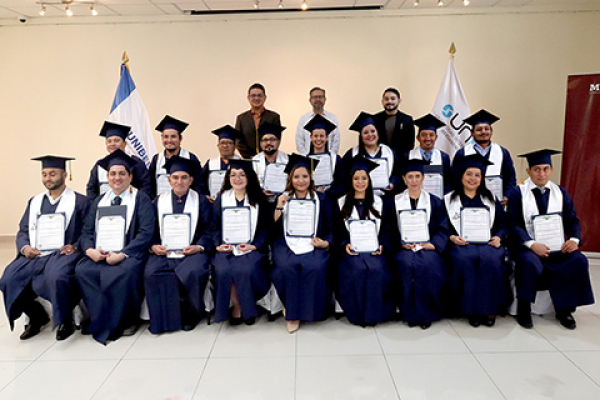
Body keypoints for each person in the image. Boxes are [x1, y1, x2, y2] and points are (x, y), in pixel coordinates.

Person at [0, 156, 88, 341]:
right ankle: (36, 316)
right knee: (8, 278)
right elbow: (23, 229)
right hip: (35, 254)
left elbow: (89, 231)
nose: (48, 178)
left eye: (53, 174)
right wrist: (24, 247)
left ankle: (66, 320)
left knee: (57, 276)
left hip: (63, 254)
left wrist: (76, 246)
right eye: (44, 174)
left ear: (64, 175)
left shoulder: (80, 201)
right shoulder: (34, 201)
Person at [506, 149, 594, 330]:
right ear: (528, 172)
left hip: (555, 245)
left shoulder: (560, 193)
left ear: (551, 170)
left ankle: (565, 310)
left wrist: (575, 239)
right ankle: (524, 308)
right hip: (526, 246)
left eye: (546, 169)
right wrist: (532, 244)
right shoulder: (518, 193)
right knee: (529, 262)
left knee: (577, 260)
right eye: (537, 169)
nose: (542, 173)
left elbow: (572, 219)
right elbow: (513, 224)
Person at [76, 149, 155, 344]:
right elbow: (86, 232)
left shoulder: (140, 199)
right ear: (107, 177)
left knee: (124, 272)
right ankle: (98, 319)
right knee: (83, 269)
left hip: (130, 253)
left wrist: (124, 254)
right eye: (113, 174)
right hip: (101, 253)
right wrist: (89, 250)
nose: (117, 178)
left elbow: (146, 233)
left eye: (122, 173)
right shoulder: (98, 201)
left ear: (130, 176)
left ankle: (127, 320)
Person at [144, 156, 212, 334]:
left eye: (184, 177)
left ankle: (190, 314)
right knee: (151, 272)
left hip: (193, 251)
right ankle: (163, 318)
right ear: (169, 180)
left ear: (191, 180)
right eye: (175, 178)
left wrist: (199, 247)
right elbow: (150, 230)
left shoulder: (201, 201)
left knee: (194, 271)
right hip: (164, 251)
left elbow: (209, 230)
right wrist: (153, 246)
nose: (179, 181)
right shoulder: (159, 201)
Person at [443, 154, 511, 327]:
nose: (473, 179)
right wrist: (451, 237)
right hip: (461, 245)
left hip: (488, 244)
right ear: (461, 176)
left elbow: (503, 225)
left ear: (482, 179)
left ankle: (489, 309)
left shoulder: (491, 200)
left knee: (492, 260)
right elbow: (441, 226)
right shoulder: (449, 200)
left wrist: (499, 237)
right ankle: (470, 309)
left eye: (477, 175)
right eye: (469, 174)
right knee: (463, 259)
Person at [382, 159, 449, 329]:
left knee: (428, 264)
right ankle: (407, 312)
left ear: (423, 178)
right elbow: (387, 230)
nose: (414, 180)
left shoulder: (434, 202)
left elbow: (442, 228)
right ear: (404, 179)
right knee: (405, 264)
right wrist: (399, 244)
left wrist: (433, 244)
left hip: (427, 247)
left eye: (417, 176)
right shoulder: (393, 202)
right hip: (403, 248)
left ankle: (426, 313)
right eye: (410, 177)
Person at [272, 154, 334, 333]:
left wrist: (326, 243)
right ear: (290, 178)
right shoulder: (283, 198)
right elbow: (273, 229)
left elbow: (331, 227)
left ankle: (311, 311)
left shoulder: (321, 199)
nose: (301, 181)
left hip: (313, 242)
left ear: (311, 178)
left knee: (315, 266)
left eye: (305, 176)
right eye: (296, 176)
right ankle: (292, 313)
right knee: (286, 266)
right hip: (286, 242)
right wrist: (278, 207)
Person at [211, 159, 271, 325]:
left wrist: (255, 245)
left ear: (249, 177)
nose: (237, 178)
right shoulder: (222, 199)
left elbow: (266, 228)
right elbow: (214, 226)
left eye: (242, 175)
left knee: (245, 269)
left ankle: (246, 307)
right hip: (227, 247)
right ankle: (238, 306)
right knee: (223, 269)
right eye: (233, 175)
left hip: (251, 247)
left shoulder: (259, 200)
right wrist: (218, 244)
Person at [335, 156, 393, 327]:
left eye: (364, 178)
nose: (360, 182)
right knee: (357, 268)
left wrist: (383, 245)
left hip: (374, 250)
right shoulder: (340, 203)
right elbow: (336, 231)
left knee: (377, 269)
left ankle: (374, 315)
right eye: (356, 178)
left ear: (369, 180)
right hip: (352, 251)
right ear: (350, 180)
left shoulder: (381, 203)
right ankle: (357, 315)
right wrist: (344, 244)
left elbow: (388, 230)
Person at [452, 110, 517, 205]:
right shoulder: (462, 154)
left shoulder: (502, 153)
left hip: (497, 204)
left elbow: (510, 179)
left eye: (486, 129)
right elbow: (455, 180)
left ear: (491, 131)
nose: (483, 132)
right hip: (468, 203)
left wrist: (507, 196)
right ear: (472, 133)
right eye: (479, 129)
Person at [86, 121, 152, 201]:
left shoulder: (135, 162)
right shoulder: (99, 165)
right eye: (109, 141)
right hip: (104, 208)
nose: (112, 144)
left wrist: (138, 202)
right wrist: (95, 205)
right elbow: (91, 189)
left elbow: (146, 185)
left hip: (132, 206)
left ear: (125, 143)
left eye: (116, 140)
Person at [342, 112, 401, 198]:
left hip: (385, 198)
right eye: (365, 132)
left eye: (373, 131)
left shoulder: (389, 152)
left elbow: (397, 173)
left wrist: (392, 183)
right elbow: (344, 176)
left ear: (377, 133)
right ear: (361, 136)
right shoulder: (352, 154)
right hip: (361, 198)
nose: (370, 135)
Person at [148, 115, 202, 199]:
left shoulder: (190, 158)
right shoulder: (157, 159)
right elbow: (151, 184)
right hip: (161, 205)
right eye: (166, 137)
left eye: (173, 136)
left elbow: (199, 184)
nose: (169, 140)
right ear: (162, 138)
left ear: (180, 139)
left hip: (187, 204)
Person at [408, 113, 453, 197]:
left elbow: (447, 183)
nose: (428, 138)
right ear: (418, 138)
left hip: (438, 201)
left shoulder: (444, 157)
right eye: (424, 135)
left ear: (436, 137)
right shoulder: (408, 156)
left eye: (431, 135)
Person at [301, 114, 345, 200]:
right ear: (311, 137)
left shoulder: (335, 159)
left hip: (330, 200)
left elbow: (342, 185)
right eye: (315, 136)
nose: (318, 139)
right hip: (309, 201)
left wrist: (326, 193)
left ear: (327, 137)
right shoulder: (304, 160)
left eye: (322, 136)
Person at [235, 83, 281, 159]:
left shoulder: (274, 117)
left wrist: (265, 156)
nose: (256, 98)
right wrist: (250, 157)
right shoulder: (241, 118)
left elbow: (277, 138)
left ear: (265, 98)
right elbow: (238, 141)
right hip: (248, 159)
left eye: (260, 95)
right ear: (248, 98)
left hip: (268, 159)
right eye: (253, 95)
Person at [199, 125, 241, 202]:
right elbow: (201, 183)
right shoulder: (211, 163)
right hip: (213, 204)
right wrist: (205, 196)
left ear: (235, 146)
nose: (225, 146)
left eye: (229, 143)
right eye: (222, 143)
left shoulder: (241, 163)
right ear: (218, 146)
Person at [295, 87, 341, 155]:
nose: (318, 99)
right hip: (309, 160)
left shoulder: (332, 118)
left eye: (320, 97)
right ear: (310, 100)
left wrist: (330, 158)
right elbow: (299, 141)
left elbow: (336, 141)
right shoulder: (304, 119)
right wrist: (306, 158)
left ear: (325, 99)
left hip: (328, 161)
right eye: (315, 97)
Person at [372, 87, 415, 159]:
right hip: (380, 159)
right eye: (386, 99)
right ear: (382, 101)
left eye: (392, 99)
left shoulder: (407, 120)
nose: (389, 101)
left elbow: (410, 145)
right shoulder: (375, 119)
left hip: (400, 161)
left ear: (399, 101)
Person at [252, 122, 289, 202]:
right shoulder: (254, 162)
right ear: (260, 143)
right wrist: (260, 193)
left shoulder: (288, 160)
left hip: (282, 203)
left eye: (272, 139)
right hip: (260, 204)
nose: (268, 143)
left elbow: (292, 185)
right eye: (265, 140)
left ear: (278, 142)